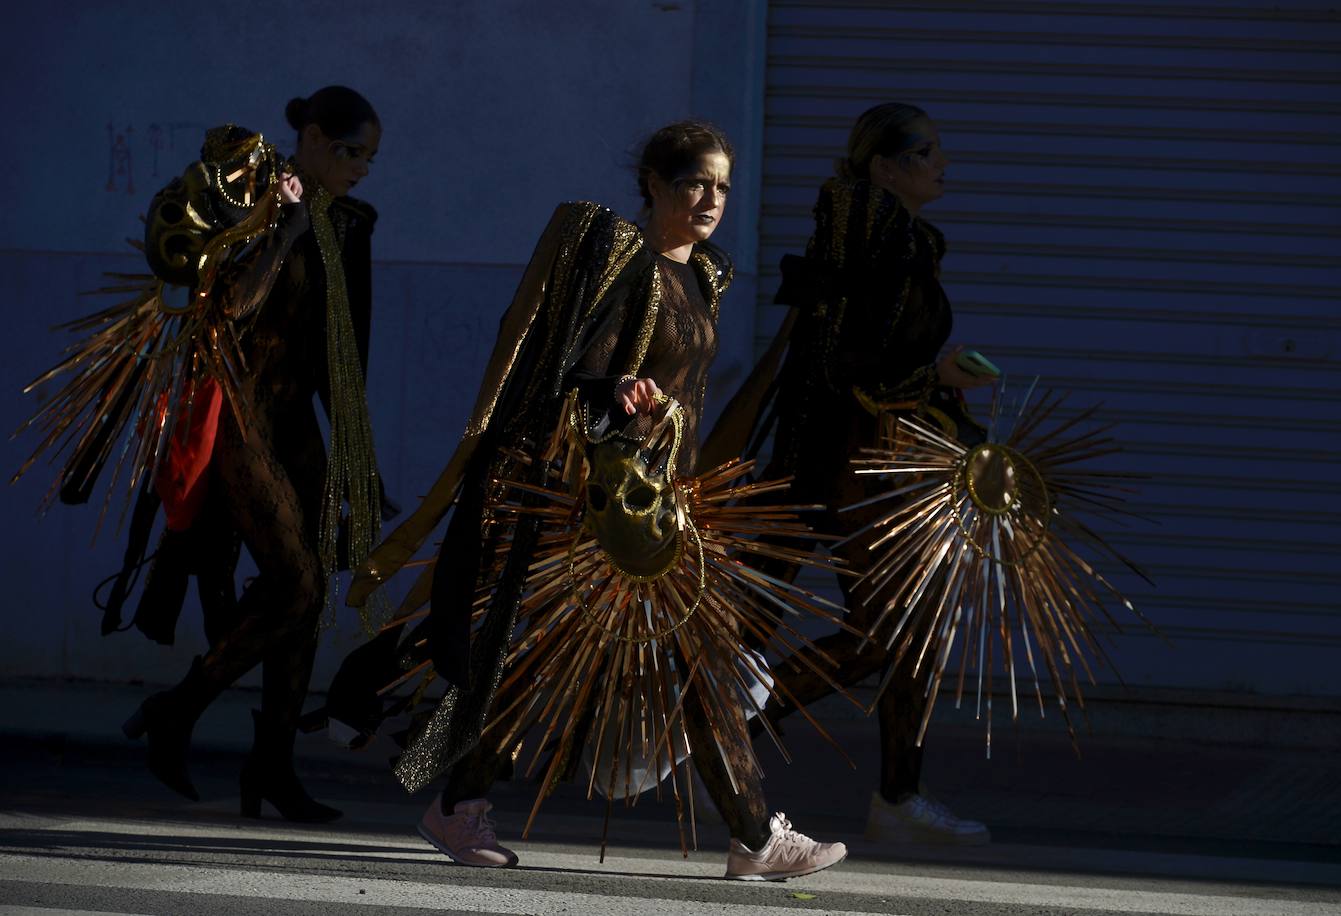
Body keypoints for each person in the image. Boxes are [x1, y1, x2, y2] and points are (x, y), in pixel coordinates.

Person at [339, 121, 846, 881]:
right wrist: (617, 395)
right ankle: (749, 837)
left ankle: (465, 806)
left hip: (656, 512)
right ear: (653, 183)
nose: (711, 199)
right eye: (694, 183)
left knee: (624, 667)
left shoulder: (701, 275)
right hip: (599, 514)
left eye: (721, 187)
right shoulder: (628, 268)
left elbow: (693, 397)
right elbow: (571, 379)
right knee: (603, 666)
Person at [707, 102, 994, 845]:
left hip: (846, 455)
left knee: (899, 626)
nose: (943, 165)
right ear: (885, 166)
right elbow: (854, 367)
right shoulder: (885, 239)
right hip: (850, 463)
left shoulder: (863, 230)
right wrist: (939, 377)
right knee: (894, 627)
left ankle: (897, 793)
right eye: (927, 152)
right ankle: (733, 731)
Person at [118, 86, 385, 822]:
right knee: (294, 587)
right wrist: (289, 225)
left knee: (305, 600)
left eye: (368, 157)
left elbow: (344, 357)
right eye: (350, 152)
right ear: (314, 141)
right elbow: (229, 307)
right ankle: (180, 711)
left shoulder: (355, 225)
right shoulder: (251, 200)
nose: (361, 169)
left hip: (296, 419)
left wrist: (361, 464)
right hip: (236, 416)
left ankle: (268, 767)